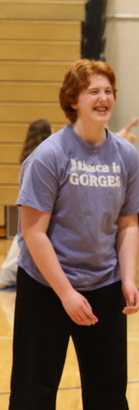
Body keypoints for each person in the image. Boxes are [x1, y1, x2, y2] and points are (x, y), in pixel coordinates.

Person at [2, 60, 139, 410]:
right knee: (35, 384)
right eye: (94, 92)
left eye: (108, 90)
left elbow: (128, 225)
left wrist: (127, 278)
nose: (104, 98)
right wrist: (66, 293)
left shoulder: (124, 155)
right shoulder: (49, 155)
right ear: (73, 101)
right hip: (47, 286)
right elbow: (33, 232)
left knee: (108, 384)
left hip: (103, 284)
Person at [0, 120, 53, 288]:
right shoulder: (41, 156)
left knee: (26, 239)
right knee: (24, 239)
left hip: (31, 201)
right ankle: (6, 275)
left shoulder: (32, 153)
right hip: (34, 202)